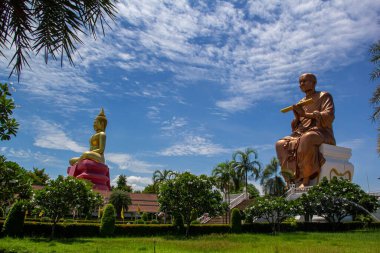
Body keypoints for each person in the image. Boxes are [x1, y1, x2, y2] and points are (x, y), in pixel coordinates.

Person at [275, 73, 336, 187]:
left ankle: (306, 179)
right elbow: (298, 125)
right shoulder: (301, 102)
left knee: (307, 138)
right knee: (280, 144)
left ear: (314, 83)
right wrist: (297, 117)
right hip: (302, 132)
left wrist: (306, 114)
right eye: (300, 82)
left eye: (304, 81)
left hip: (321, 131)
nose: (301, 84)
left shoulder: (324, 96)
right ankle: (290, 180)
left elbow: (328, 115)